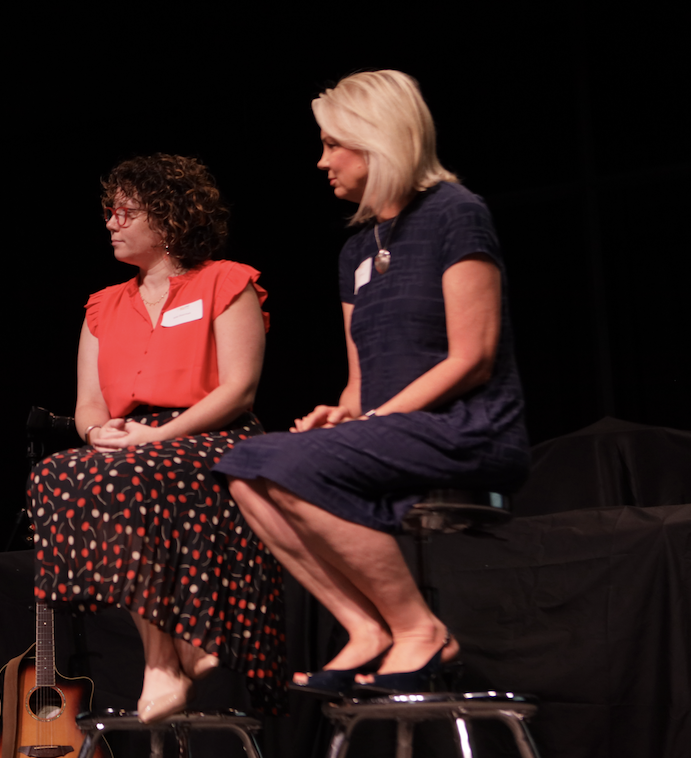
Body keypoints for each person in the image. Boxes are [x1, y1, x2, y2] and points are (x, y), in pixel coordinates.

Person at [214, 70, 530, 696]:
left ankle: (420, 630)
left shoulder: (455, 214)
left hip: (468, 430)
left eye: (334, 143)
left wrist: (377, 421)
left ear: (377, 140)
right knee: (243, 466)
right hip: (396, 431)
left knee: (283, 466)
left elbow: (473, 358)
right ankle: (364, 626)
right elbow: (363, 383)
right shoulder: (356, 252)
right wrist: (345, 412)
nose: (321, 159)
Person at [28, 154, 286, 723]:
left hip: (212, 432)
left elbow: (239, 389)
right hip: (130, 439)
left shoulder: (227, 281)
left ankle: (162, 662)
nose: (111, 223)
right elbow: (88, 404)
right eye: (109, 213)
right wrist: (102, 432)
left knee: (140, 470)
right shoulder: (103, 304)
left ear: (168, 218)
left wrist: (158, 435)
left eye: (124, 213)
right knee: (57, 473)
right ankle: (180, 652)